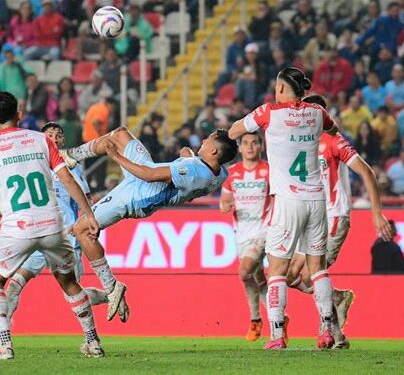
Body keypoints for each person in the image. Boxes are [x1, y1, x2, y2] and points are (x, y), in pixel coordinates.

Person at [61, 127, 237, 322]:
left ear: (214, 151)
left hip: (137, 196)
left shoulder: (195, 172)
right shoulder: (220, 173)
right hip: (145, 181)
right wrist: (188, 156)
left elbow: (148, 174)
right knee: (120, 134)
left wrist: (115, 157)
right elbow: (191, 166)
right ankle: (70, 156)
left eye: (209, 139)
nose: (204, 139)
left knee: (82, 230)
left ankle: (111, 287)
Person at [228, 67, 348, 350]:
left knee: (277, 271)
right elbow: (334, 128)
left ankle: (277, 335)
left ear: (281, 89)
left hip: (287, 201)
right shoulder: (317, 114)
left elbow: (235, 131)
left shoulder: (269, 112)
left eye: (276, 87)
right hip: (317, 201)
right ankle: (327, 331)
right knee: (317, 269)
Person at [0, 91, 103, 359]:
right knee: (69, 282)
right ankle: (93, 342)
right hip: (52, 226)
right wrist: (89, 214)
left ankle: (4, 344)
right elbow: (68, 179)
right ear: (19, 114)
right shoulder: (41, 141)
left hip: (17, 228)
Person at [285, 94, 392, 348]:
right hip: (307, 217)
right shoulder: (299, 143)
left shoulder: (334, 141)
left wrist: (376, 213)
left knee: (313, 272)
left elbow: (366, 171)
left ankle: (331, 331)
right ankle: (337, 300)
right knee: (288, 274)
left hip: (333, 214)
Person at [5, 122, 125, 323]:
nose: (54, 137)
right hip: (38, 232)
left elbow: (87, 198)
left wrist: (84, 220)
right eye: (49, 133)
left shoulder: (71, 167)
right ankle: (4, 338)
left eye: (58, 134)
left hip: (66, 239)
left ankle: (110, 296)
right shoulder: (31, 164)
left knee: (74, 292)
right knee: (14, 285)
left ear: (62, 140)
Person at [220, 132, 270, 342]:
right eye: (246, 144)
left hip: (265, 230)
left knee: (244, 271)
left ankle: (256, 320)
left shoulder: (269, 171)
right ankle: (277, 319)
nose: (250, 147)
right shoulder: (232, 174)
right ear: (239, 148)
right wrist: (226, 205)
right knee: (257, 279)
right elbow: (224, 203)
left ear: (261, 147)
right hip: (241, 233)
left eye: (254, 143)